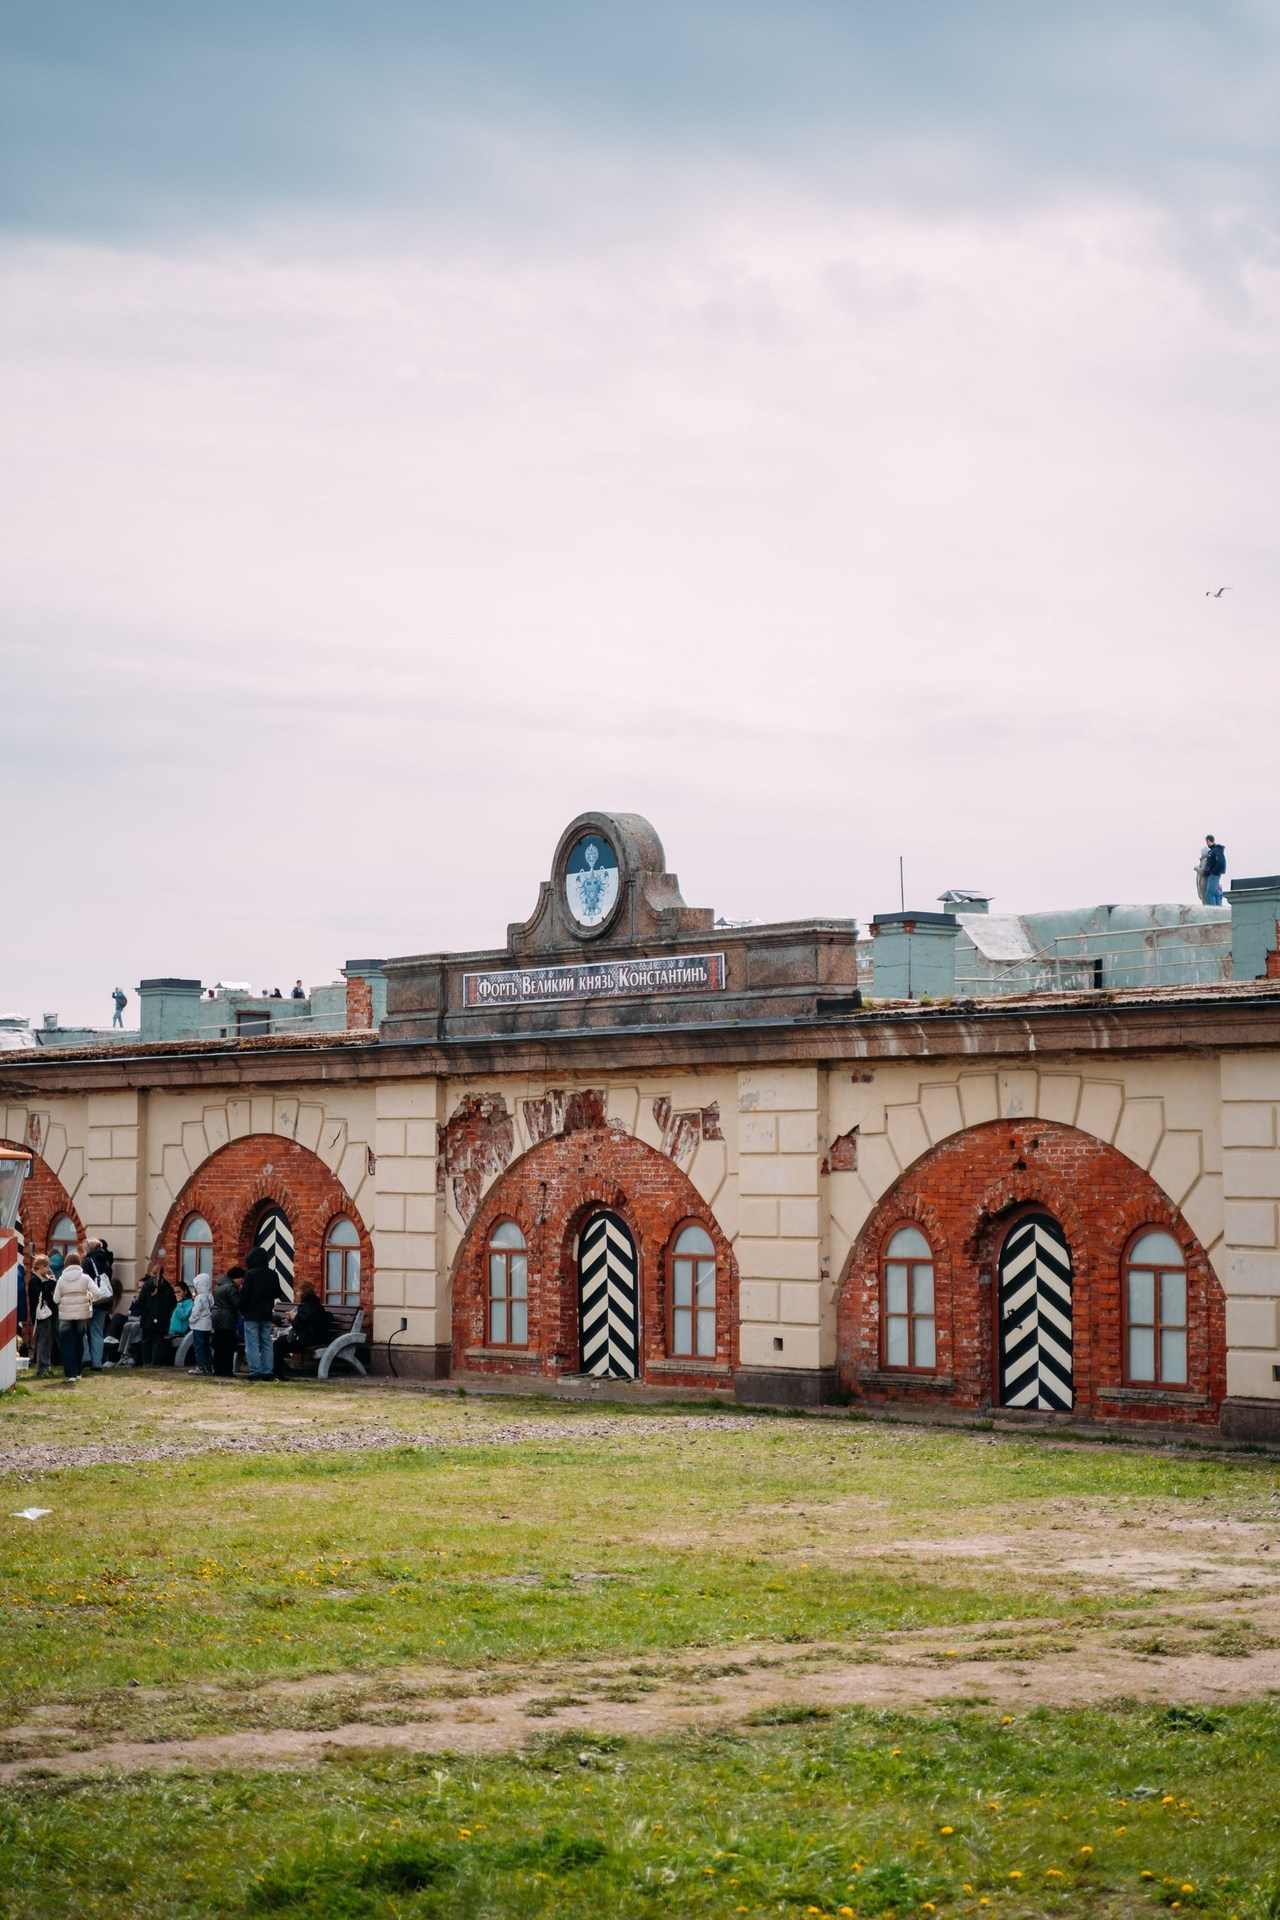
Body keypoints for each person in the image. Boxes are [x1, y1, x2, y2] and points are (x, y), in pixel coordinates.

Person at [238, 1246, 285, 1381]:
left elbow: (245, 1295)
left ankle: (255, 1372)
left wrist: (242, 1308)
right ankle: (267, 1371)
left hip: (251, 1314)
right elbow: (277, 1293)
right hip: (266, 1314)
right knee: (266, 1342)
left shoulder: (251, 1275)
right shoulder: (272, 1274)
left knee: (252, 1344)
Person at [274, 1280, 334, 1377]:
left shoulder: (307, 1306)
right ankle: (280, 1369)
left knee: (278, 1343)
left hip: (307, 1338)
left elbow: (298, 1325)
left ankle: (277, 1371)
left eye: (298, 1291)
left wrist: (292, 1318)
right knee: (281, 1341)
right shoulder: (315, 1304)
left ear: (303, 1292)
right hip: (315, 1337)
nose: (297, 1293)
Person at [53, 1254, 94, 1383]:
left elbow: (56, 1299)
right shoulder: (85, 1278)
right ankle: (78, 1372)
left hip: (66, 1315)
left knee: (67, 1344)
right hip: (81, 1314)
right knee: (79, 1342)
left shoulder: (61, 1279)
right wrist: (88, 1296)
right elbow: (98, 1293)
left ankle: (70, 1374)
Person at [82, 1240, 114, 1372]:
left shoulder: (88, 1261)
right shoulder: (107, 1262)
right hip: (103, 1301)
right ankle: (97, 1363)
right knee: (97, 1332)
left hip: (90, 1300)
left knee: (82, 1330)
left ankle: (85, 1356)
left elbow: (83, 1280)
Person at [140, 1264, 177, 1366]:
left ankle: (146, 1363)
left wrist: (144, 1311)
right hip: (162, 1319)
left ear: (152, 1272)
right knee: (158, 1341)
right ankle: (155, 1363)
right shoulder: (167, 1287)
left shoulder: (146, 1285)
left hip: (147, 1318)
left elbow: (141, 1301)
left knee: (146, 1341)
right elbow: (172, 1302)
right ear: (163, 1273)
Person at [211, 1265, 244, 1377]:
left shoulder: (219, 1285)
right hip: (227, 1318)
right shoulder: (231, 1287)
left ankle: (217, 1369)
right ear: (237, 1277)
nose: (242, 1281)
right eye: (241, 1279)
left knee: (218, 1345)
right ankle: (227, 1371)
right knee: (228, 1345)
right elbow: (238, 1303)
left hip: (216, 1317)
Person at [30, 1256, 58, 1377]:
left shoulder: (41, 1278)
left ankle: (46, 1363)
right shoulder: (34, 1280)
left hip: (49, 1312)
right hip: (42, 1314)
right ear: (41, 1267)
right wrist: (51, 1283)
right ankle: (42, 1366)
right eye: (46, 1267)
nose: (48, 1269)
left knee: (48, 1339)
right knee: (43, 1339)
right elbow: (42, 1295)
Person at [188, 1271, 215, 1374]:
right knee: (206, 1346)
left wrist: (191, 1320)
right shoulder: (210, 1295)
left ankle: (200, 1366)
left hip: (199, 1325)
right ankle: (208, 1366)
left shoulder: (199, 1297)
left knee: (199, 1347)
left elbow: (196, 1311)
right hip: (207, 1324)